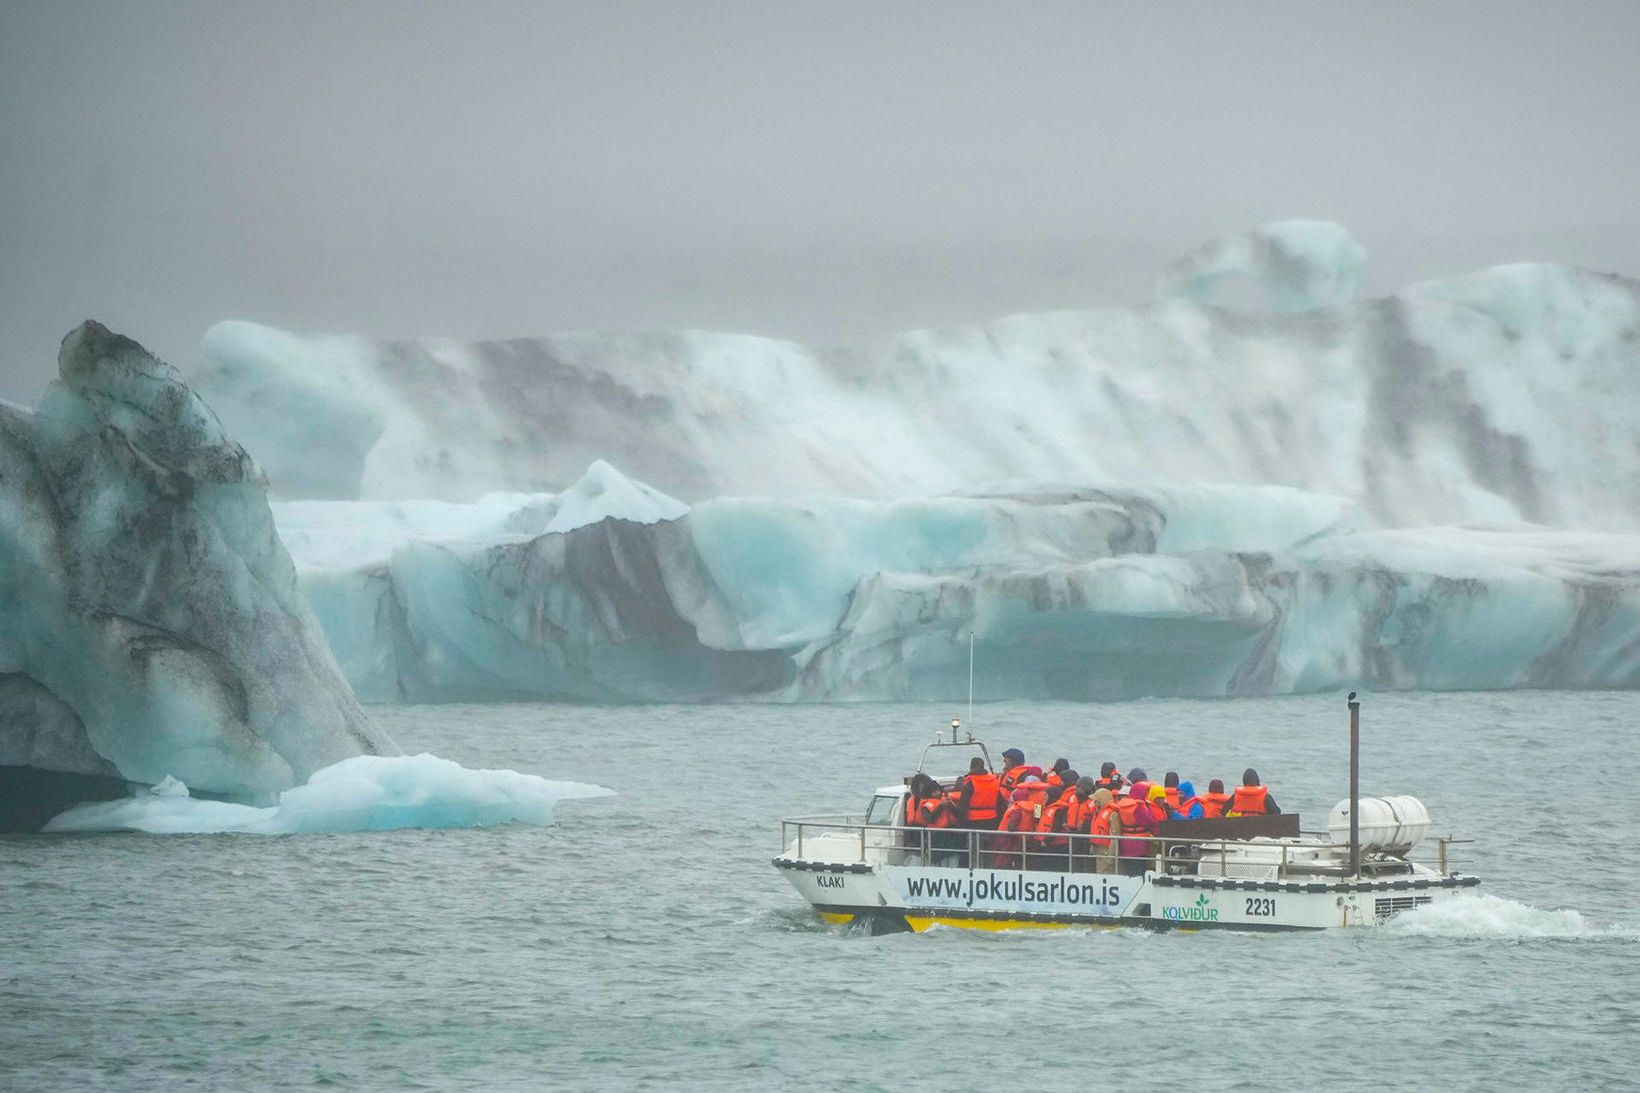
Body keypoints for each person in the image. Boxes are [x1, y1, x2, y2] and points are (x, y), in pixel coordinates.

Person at [1034, 769, 1082, 868]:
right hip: (1046, 842)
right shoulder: (1046, 806)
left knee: (1055, 865)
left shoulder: (1058, 808)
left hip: (1055, 844)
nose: (1044, 797)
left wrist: (1045, 841)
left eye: (1046, 795)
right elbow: (1037, 819)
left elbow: (1056, 827)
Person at [1114, 783, 1161, 876]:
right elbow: (1149, 822)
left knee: (1129, 871)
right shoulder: (1139, 807)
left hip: (1125, 843)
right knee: (1139, 872)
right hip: (1139, 844)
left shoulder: (1122, 805)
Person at [991, 787, 1038, 869]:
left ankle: (999, 874)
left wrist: (1016, 834)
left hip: (1007, 838)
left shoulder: (1016, 809)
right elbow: (1037, 820)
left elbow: (1011, 826)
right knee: (1020, 859)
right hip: (1025, 837)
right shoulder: (1035, 807)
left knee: (1003, 859)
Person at [957, 757, 1004, 829]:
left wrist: (961, 822)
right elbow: (1001, 804)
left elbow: (962, 806)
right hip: (992, 819)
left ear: (971, 767)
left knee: (974, 840)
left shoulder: (970, 783)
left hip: (974, 820)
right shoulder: (994, 782)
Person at [1086, 787, 1120, 874]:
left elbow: (1114, 838)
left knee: (1105, 874)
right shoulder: (1097, 813)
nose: (1094, 803)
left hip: (1106, 851)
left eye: (1096, 801)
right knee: (1099, 873)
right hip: (1097, 849)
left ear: (1102, 801)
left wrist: (1111, 857)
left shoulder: (1113, 814)